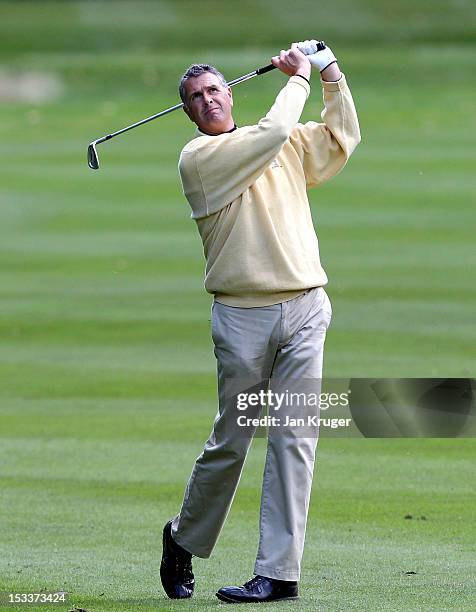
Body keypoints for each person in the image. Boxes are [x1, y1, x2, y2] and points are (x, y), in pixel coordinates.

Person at [160, 39, 360, 604]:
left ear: (231, 92)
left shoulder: (282, 138)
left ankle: (278, 572)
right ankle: (183, 538)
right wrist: (296, 77)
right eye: (196, 98)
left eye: (215, 89)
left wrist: (328, 74)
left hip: (305, 308)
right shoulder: (199, 160)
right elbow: (271, 133)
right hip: (242, 318)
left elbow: (342, 138)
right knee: (232, 440)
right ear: (189, 112)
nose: (208, 101)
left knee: (295, 438)